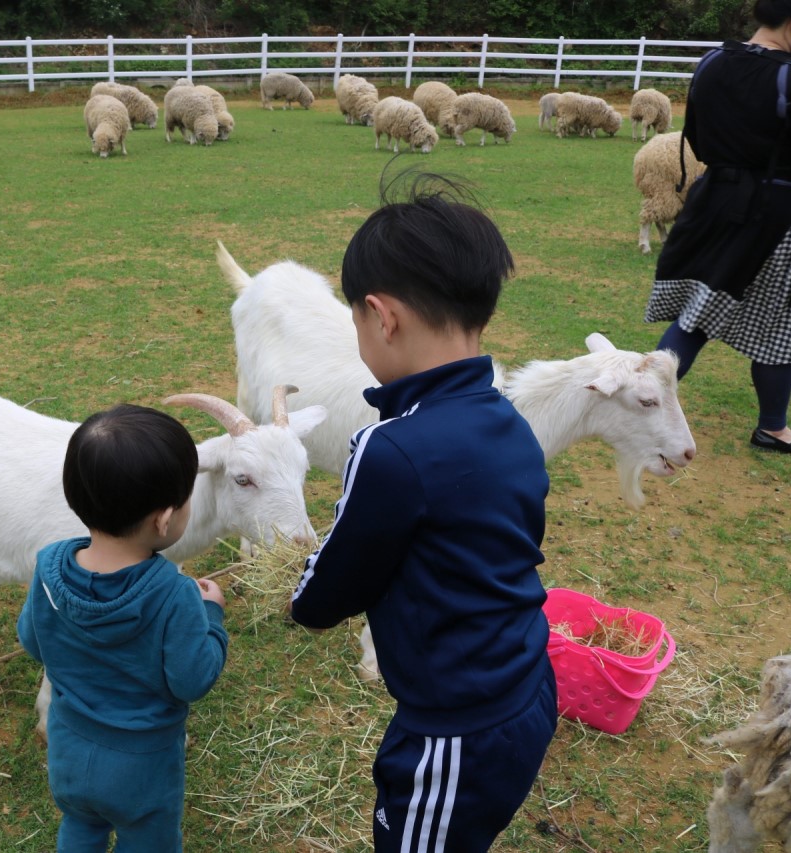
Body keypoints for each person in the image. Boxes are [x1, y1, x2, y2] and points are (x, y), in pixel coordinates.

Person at [289, 173, 557, 853]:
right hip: (528, 684)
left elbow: (326, 593)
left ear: (382, 316)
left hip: (453, 732)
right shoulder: (507, 419)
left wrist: (298, 592)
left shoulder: (391, 448)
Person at [16, 403, 228, 852]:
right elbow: (192, 679)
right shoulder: (175, 595)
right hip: (142, 767)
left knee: (80, 826)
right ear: (164, 519)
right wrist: (211, 614)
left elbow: (32, 641)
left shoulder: (48, 567)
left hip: (69, 749)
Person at [646, 0, 791, 454]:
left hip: (715, 199)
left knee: (698, 312)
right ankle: (773, 427)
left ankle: (638, 404)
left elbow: (694, 135)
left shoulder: (713, 62)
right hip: (780, 213)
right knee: (783, 324)